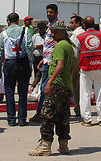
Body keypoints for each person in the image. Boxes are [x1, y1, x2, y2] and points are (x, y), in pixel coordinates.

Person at [29, 21, 75, 156]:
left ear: (62, 32)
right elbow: (71, 68)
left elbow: (60, 66)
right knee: (63, 116)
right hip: (65, 85)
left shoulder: (60, 46)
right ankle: (63, 145)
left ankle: (45, 145)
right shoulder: (68, 46)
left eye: (55, 32)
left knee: (47, 115)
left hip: (57, 86)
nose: (52, 34)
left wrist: (49, 83)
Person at [0, 12, 33, 126]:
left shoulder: (3, 34)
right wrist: (30, 64)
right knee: (22, 93)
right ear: (18, 21)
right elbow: (30, 48)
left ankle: (11, 118)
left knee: (9, 92)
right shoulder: (26, 31)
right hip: (22, 62)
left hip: (9, 63)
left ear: (8, 21)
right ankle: (22, 118)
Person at [73, 16, 101, 126]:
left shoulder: (80, 36)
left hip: (86, 68)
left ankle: (87, 119)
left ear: (84, 25)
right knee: (100, 93)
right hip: (99, 66)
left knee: (85, 94)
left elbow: (75, 54)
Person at [30, 4, 59, 123]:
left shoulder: (57, 27)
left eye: (51, 12)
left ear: (56, 13)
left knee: (45, 89)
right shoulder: (49, 26)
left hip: (51, 63)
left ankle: (41, 114)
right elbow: (49, 45)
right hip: (46, 61)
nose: (48, 14)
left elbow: (57, 45)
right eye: (47, 12)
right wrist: (44, 58)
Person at [69, 15, 85, 117]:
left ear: (78, 23)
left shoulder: (77, 34)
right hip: (82, 62)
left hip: (76, 62)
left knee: (76, 87)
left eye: (72, 23)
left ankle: (79, 108)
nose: (70, 25)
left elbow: (74, 52)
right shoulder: (83, 32)